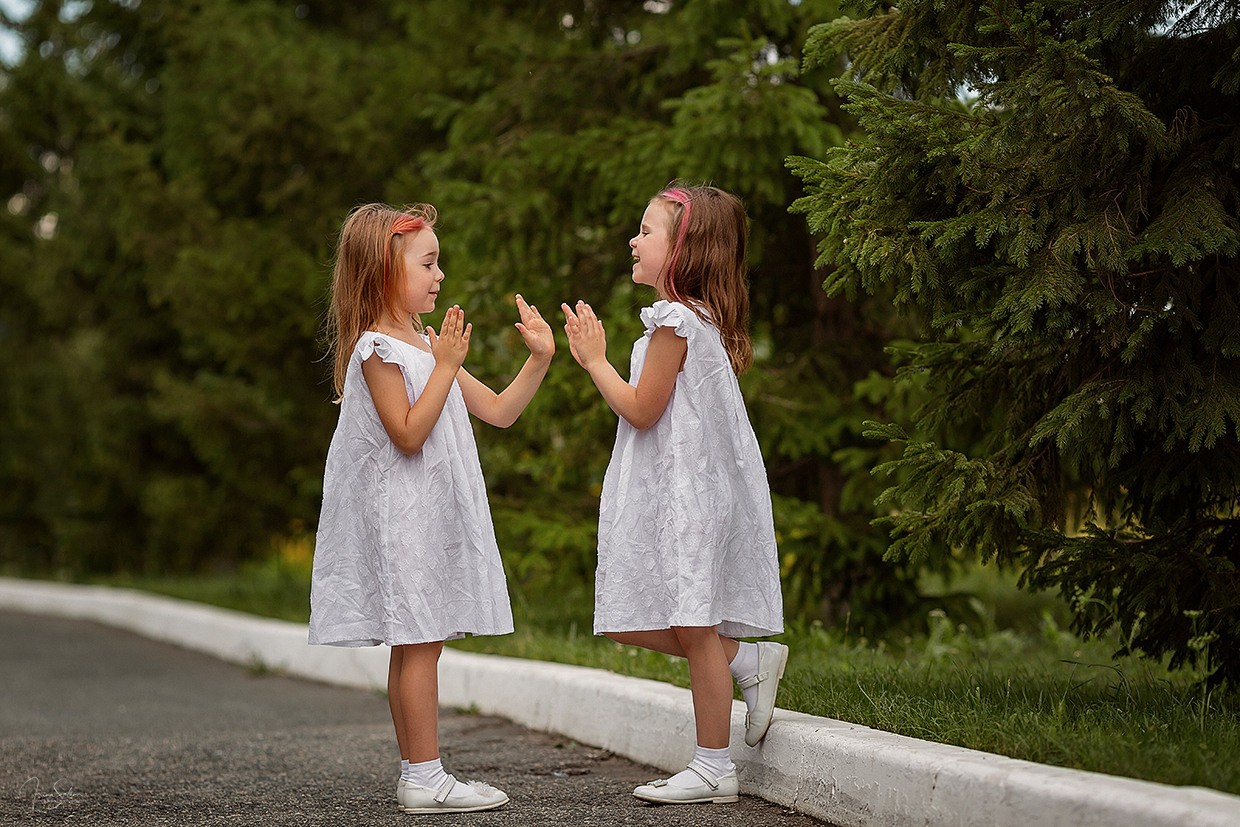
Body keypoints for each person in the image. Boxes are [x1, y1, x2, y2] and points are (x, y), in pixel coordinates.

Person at [309, 203, 554, 814]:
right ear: (384, 272)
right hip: (402, 520)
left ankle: (419, 772)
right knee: (419, 644)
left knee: (419, 644)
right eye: (428, 263)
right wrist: (444, 364)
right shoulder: (378, 349)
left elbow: (498, 410)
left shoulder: (420, 343)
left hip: (426, 515)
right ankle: (424, 775)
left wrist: (540, 358)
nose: (440, 275)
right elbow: (409, 434)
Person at [560, 184, 786, 805]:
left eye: (647, 232)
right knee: (641, 620)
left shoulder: (676, 321)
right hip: (685, 488)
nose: (633, 240)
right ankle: (744, 661)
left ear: (684, 250)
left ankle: (714, 765)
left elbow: (640, 409)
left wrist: (594, 360)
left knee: (691, 622)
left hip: (688, 496)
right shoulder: (692, 322)